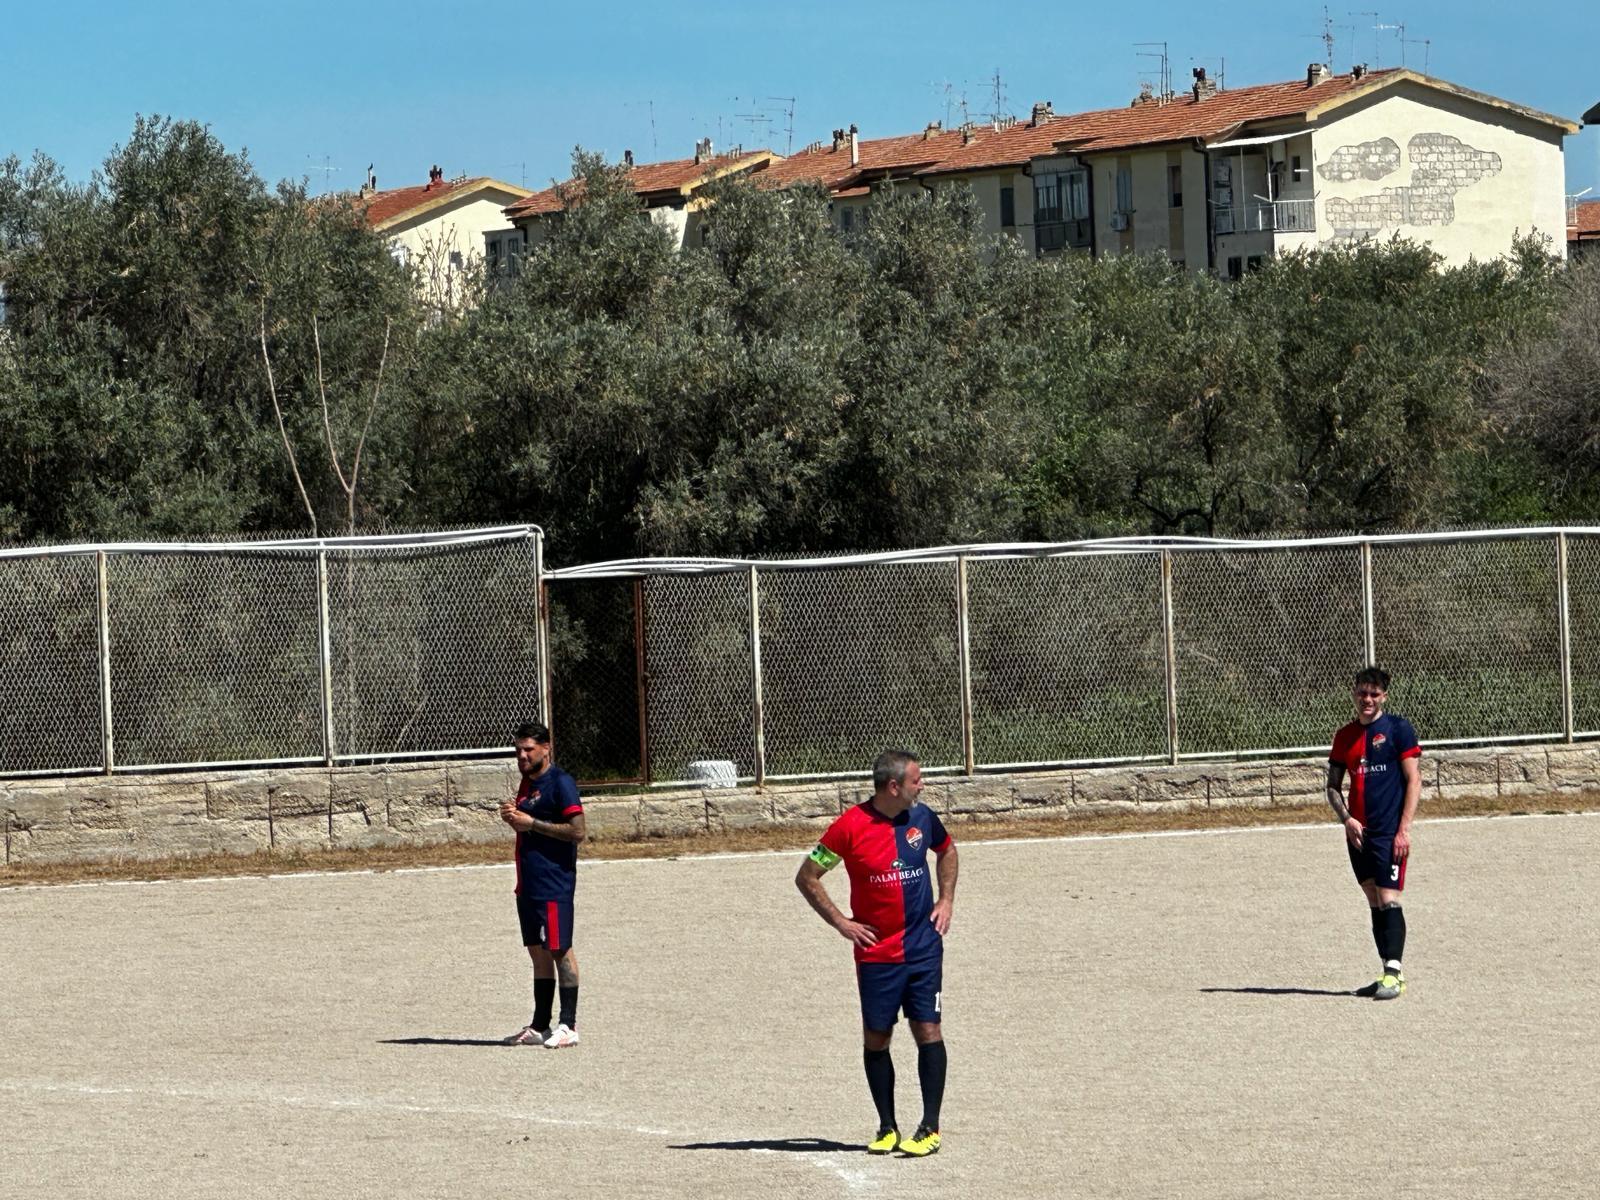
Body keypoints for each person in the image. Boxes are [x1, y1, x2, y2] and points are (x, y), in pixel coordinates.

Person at [795, 750, 959, 1158]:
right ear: (894, 787)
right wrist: (842, 923)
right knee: (877, 1037)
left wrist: (946, 900)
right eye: (917, 780)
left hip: (923, 949)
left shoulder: (923, 818)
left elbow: (947, 850)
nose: (923, 786)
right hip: (876, 956)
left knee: (928, 1031)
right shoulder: (849, 828)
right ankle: (887, 1127)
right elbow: (808, 876)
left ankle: (930, 1128)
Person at [1325, 666, 1422, 1000]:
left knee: (1388, 897)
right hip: (1358, 834)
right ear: (1354, 694)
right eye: (1362, 693)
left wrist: (1404, 829)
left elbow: (1414, 780)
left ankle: (1395, 973)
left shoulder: (1398, 730)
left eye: (1374, 694)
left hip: (1388, 833)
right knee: (1372, 897)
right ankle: (1386, 972)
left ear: (1384, 697)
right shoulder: (1344, 736)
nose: (1367, 699)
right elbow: (1333, 786)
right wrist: (1347, 819)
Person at [499, 720, 587, 1048]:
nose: (522, 756)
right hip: (528, 884)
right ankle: (540, 1026)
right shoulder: (527, 782)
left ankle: (569, 1025)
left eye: (528, 750)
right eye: (518, 750)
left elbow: (577, 831)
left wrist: (532, 823)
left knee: (560, 949)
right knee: (538, 953)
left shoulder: (561, 783)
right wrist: (514, 818)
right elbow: (528, 826)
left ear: (546, 748)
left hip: (553, 884)